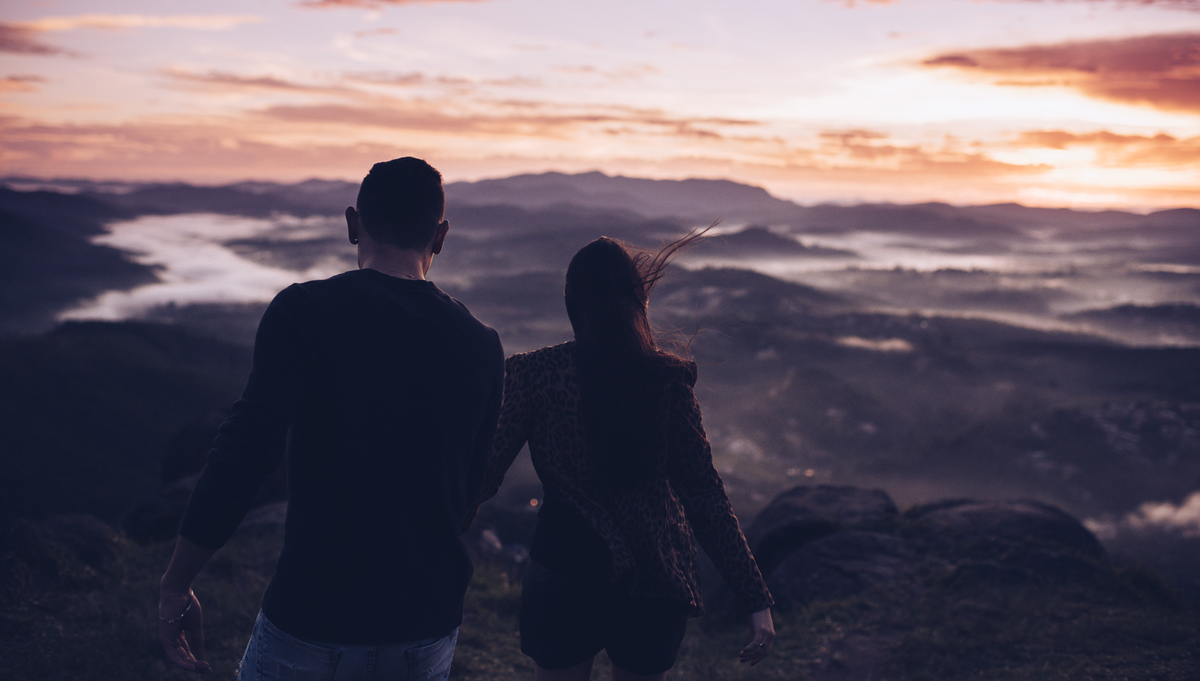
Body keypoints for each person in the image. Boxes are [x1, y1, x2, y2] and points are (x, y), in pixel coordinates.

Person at [158, 157, 505, 680]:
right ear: (441, 236)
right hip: (426, 622)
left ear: (352, 223)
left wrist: (177, 582)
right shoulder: (482, 345)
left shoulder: (302, 314)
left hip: (314, 613)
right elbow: (471, 490)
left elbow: (244, 454)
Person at [468, 234, 775, 681]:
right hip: (653, 578)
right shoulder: (665, 382)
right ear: (638, 301)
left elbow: (482, 474)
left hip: (563, 570)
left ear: (572, 302)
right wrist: (756, 599)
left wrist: (418, 540)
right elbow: (705, 496)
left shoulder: (533, 374)